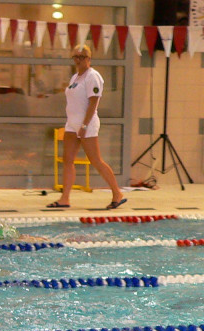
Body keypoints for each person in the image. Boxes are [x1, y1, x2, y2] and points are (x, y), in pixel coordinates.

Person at [46, 44, 125, 211]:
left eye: (82, 57)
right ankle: (64, 198)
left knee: (95, 160)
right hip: (72, 123)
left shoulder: (93, 76)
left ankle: (117, 193)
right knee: (68, 160)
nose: (78, 60)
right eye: (75, 57)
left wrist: (84, 125)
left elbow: (93, 102)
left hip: (86, 124)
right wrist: (75, 124)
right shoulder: (75, 77)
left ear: (89, 59)